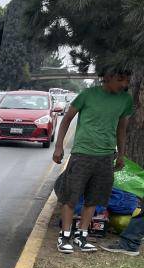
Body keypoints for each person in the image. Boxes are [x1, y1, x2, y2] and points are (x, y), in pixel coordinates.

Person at [52, 69, 133, 253]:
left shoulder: (125, 100)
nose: (124, 84)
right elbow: (66, 120)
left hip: (106, 155)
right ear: (108, 76)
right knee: (70, 196)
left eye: (127, 80)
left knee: (94, 198)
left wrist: (121, 154)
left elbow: (122, 129)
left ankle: (82, 236)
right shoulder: (87, 95)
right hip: (82, 153)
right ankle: (64, 237)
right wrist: (58, 147)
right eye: (121, 79)